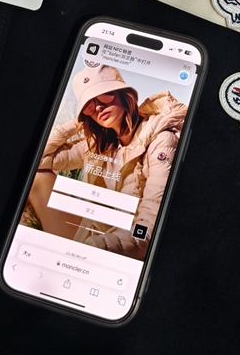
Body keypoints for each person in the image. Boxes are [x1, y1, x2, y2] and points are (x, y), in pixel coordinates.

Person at [25, 64, 187, 261]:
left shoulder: (162, 142)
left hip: (127, 245)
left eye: (103, 95)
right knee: (38, 175)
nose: (98, 107)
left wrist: (97, 246)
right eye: (88, 105)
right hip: (95, 232)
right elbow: (37, 159)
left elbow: (150, 223)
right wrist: (76, 123)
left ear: (125, 96)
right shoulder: (99, 145)